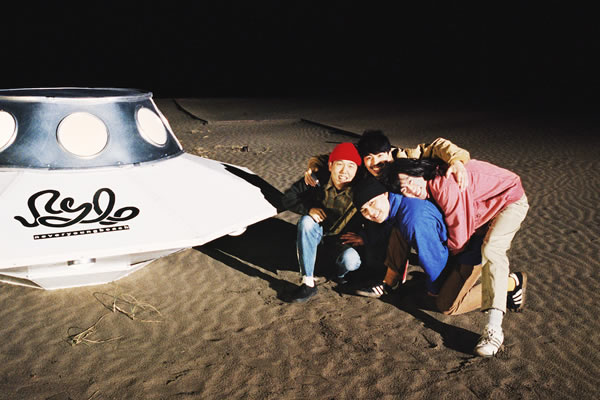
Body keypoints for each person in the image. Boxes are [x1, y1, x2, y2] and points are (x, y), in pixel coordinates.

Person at [379, 157, 529, 357]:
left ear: (417, 171)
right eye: (403, 190)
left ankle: (494, 329)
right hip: (482, 212)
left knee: (492, 249)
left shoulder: (445, 185)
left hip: (508, 201)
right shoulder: (428, 186)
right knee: (446, 298)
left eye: (410, 182)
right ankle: (508, 284)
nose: (411, 191)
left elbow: (460, 238)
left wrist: (445, 265)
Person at [302, 130, 471, 283]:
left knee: (420, 229)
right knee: (377, 253)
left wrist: (456, 161)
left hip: (423, 203)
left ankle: (429, 269)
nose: (375, 162)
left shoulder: (403, 156)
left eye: (380, 156)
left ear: (390, 153)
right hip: (382, 212)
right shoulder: (365, 167)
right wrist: (313, 167)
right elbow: (330, 158)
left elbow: (437, 146)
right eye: (369, 158)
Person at [281, 142, 365, 302]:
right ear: (330, 166)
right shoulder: (317, 180)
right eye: (339, 164)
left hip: (343, 239)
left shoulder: (363, 187)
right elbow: (288, 197)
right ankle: (308, 282)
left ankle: (339, 275)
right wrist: (309, 209)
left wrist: (365, 236)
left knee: (351, 261)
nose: (344, 171)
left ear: (357, 169)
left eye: (351, 166)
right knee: (306, 221)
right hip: (318, 235)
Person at [353, 176, 450, 298]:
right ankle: (390, 283)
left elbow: (434, 259)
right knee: (397, 232)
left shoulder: (412, 220)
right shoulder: (397, 206)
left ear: (385, 194)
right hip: (438, 248)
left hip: (455, 253)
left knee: (446, 304)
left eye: (372, 203)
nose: (371, 213)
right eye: (364, 211)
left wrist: (434, 290)